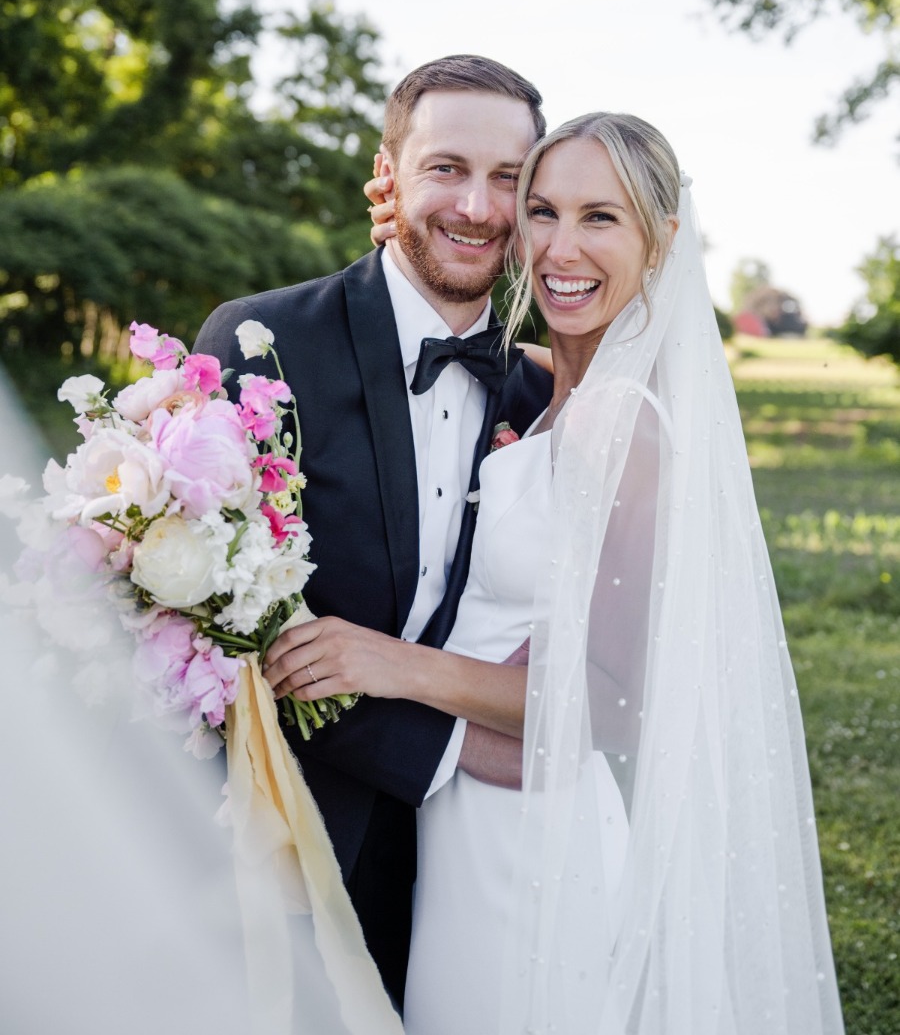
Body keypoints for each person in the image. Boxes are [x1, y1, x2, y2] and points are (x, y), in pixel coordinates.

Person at [263, 112, 845, 1033]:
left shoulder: (625, 420)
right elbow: (418, 332)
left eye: (600, 219)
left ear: (662, 242)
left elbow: (612, 701)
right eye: (543, 211)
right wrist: (408, 230)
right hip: (469, 819)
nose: (562, 248)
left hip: (537, 844)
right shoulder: (543, 388)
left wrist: (392, 663)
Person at [193, 54, 553, 1004]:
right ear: (388, 175)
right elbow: (221, 623)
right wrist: (451, 750)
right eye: (446, 168)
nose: (476, 207)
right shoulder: (260, 342)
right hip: (283, 844)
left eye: (509, 179)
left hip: (477, 867)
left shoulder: (544, 398)